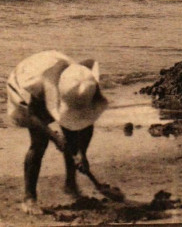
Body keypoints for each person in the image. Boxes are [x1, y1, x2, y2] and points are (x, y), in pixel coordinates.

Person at [6, 51, 108, 214]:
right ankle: (29, 197)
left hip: (57, 76)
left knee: (72, 135)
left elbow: (86, 124)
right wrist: (55, 137)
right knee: (39, 143)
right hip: (25, 82)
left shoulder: (84, 82)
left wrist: (82, 154)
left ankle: (70, 185)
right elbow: (32, 116)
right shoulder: (37, 84)